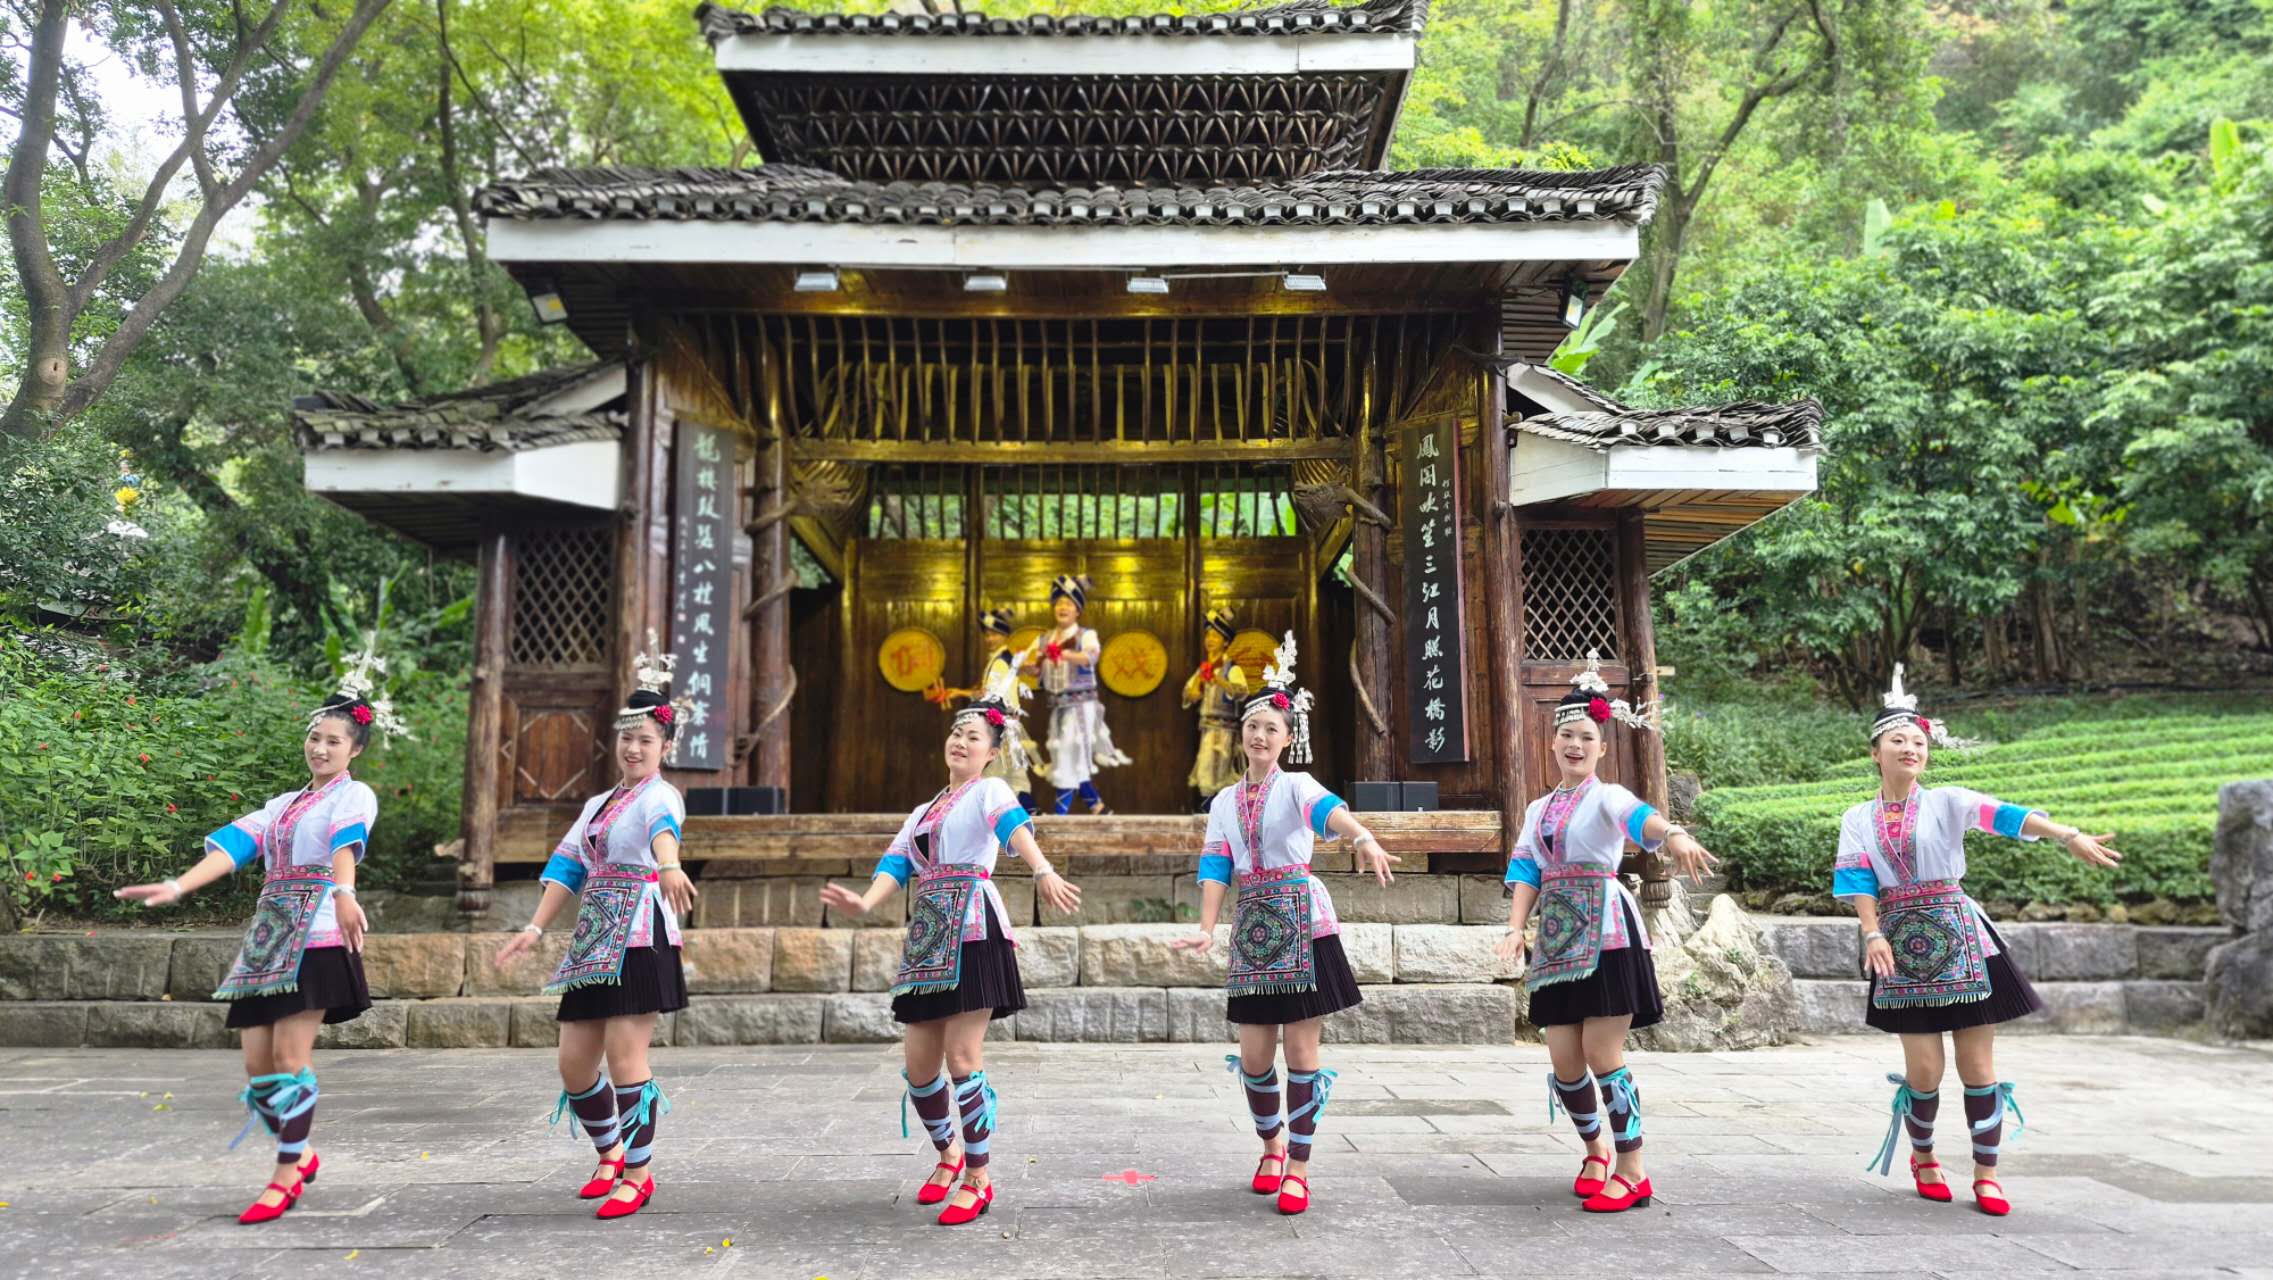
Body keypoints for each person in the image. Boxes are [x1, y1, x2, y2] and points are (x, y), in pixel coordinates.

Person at [114, 643, 406, 1225]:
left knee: (291, 1057)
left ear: (355, 749)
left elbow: (346, 847)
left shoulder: (355, 795)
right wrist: (178, 886)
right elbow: (234, 848)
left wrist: (345, 895)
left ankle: (283, 1175)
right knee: (257, 1068)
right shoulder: (282, 804)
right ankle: (302, 1153)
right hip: (269, 936)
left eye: (334, 741)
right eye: (316, 737)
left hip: (318, 932)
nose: (321, 748)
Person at [1839, 665, 2119, 1217]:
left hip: (1962, 934)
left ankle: (1987, 1175)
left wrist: (2065, 834)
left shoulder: (1948, 800)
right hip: (1898, 942)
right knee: (1924, 1069)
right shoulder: (1858, 817)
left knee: (1977, 1063)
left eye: (1918, 741)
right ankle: (1924, 1157)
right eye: (1897, 740)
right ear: (1876, 752)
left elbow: (2006, 816)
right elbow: (1856, 880)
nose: (1910, 748)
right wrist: (1871, 932)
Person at [821, 665, 1083, 1226]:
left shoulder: (990, 790)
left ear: (992, 752)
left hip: (973, 930)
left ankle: (979, 1178)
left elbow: (1014, 827)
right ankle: (947, 1156)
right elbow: (897, 863)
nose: (961, 742)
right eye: (956, 733)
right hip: (927, 936)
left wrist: (1040, 871)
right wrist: (866, 904)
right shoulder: (923, 811)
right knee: (919, 1068)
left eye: (974, 737)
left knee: (963, 1058)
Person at [1172, 632, 1397, 1217]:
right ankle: (1270, 1146)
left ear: (1287, 738)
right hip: (1253, 926)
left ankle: (1298, 1162)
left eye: (1272, 728)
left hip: (1302, 918)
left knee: (1301, 1050)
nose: (1260, 735)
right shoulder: (1222, 802)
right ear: (1240, 735)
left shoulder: (1297, 786)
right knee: (1252, 1055)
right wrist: (1206, 925)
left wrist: (1363, 836)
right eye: (1252, 726)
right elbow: (1217, 866)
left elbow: (1331, 814)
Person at [1495, 653, 1717, 1214]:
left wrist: (1676, 836)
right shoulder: (1537, 808)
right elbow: (1526, 869)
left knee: (1601, 1051)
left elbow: (1642, 820)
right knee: (1563, 1058)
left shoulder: (1608, 795)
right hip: (1558, 935)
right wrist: (1516, 928)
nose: (1575, 744)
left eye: (1586, 737)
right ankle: (1595, 1150)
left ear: (1601, 746)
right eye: (1567, 734)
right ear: (1553, 743)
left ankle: (1634, 1168)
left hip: (1609, 932)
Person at [493, 636, 697, 1220]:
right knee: (575, 1063)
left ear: (664, 747)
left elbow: (662, 830)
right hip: (592, 939)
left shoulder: (663, 795)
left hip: (639, 934)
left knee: (625, 1056)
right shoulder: (597, 803)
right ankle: (610, 1153)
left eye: (647, 740)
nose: (634, 748)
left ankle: (639, 1172)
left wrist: (668, 866)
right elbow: (567, 866)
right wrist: (534, 929)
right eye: (627, 738)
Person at [928, 604, 1045, 812]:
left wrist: (961, 695)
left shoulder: (1002, 660)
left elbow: (991, 695)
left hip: (1000, 724)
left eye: (995, 634)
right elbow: (986, 691)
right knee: (1012, 775)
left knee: (990, 773)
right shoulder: (1001, 659)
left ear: (1005, 636)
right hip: (1005, 724)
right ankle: (1030, 812)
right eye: (988, 635)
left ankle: (984, 817)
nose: (990, 639)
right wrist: (958, 692)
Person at [1032, 573, 1129, 814]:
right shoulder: (1044, 638)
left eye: (1069, 603)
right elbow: (1035, 671)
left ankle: (1060, 816)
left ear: (1078, 610)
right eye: (1059, 602)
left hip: (1081, 705)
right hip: (1057, 706)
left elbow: (1091, 656)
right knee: (1066, 756)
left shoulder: (1086, 635)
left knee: (1067, 751)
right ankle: (1099, 808)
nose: (1063, 607)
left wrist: (1062, 654)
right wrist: (1026, 663)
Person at [1181, 605, 1250, 807]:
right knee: (1206, 772)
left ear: (1226, 642)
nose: (1210, 640)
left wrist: (1219, 681)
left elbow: (1241, 692)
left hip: (1226, 730)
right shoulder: (1205, 669)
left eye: (1215, 636)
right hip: (1207, 729)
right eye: (1208, 636)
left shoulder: (1232, 667)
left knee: (1221, 775)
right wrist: (1196, 688)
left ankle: (1219, 814)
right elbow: (1189, 695)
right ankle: (1211, 813)